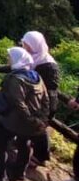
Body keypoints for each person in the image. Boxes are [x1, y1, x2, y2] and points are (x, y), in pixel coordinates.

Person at [0, 47, 50, 181]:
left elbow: (18, 104)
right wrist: (41, 119)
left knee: (0, 142)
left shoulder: (15, 79)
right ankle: (19, 173)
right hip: (31, 123)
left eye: (10, 58)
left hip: (13, 121)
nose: (8, 60)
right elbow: (46, 100)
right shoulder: (36, 76)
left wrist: (31, 120)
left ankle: (0, 174)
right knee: (25, 145)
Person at [21, 31, 60, 165]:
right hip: (35, 101)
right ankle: (35, 151)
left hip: (45, 103)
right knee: (36, 128)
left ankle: (41, 157)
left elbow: (51, 87)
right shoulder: (35, 58)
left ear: (34, 45)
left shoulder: (49, 65)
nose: (24, 46)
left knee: (39, 130)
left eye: (26, 44)